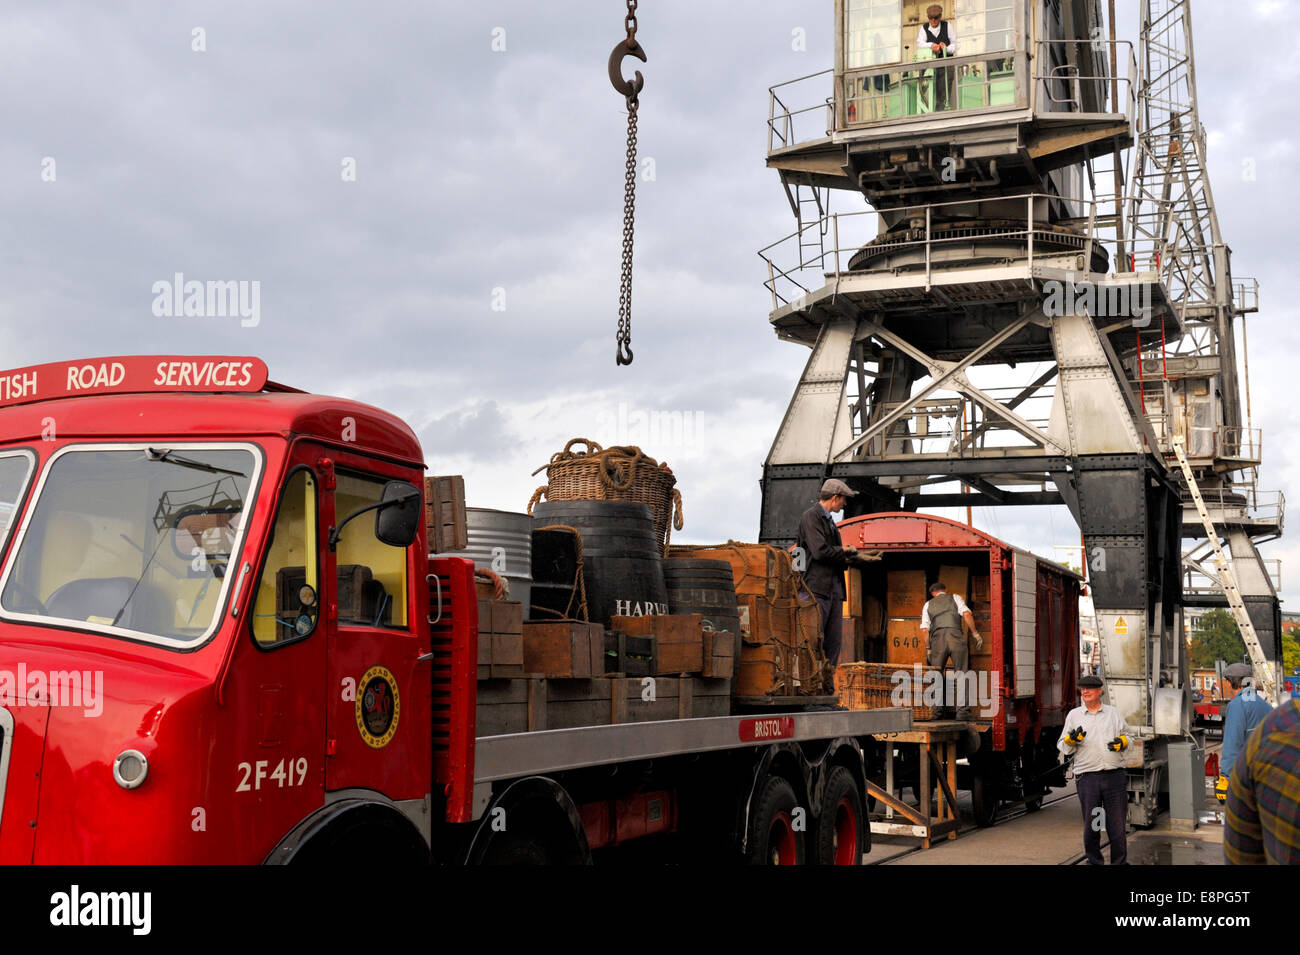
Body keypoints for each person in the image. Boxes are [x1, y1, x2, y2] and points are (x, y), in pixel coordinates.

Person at [1058, 674, 1133, 865]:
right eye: (1082, 689)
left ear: (1100, 691)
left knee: (1116, 825)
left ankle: (1119, 862)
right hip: (1088, 778)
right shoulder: (1074, 716)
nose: (1085, 691)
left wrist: (1123, 742)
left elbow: (1129, 738)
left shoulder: (1113, 714)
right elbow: (1063, 746)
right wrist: (1070, 740)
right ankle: (1094, 862)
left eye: (1089, 688)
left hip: (1114, 777)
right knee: (1093, 825)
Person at [797, 479, 859, 687]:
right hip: (815, 590)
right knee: (814, 642)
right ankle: (812, 688)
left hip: (832, 591)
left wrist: (854, 558)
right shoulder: (811, 517)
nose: (845, 505)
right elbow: (819, 552)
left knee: (833, 644)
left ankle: (825, 689)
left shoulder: (829, 522)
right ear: (835, 497)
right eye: (844, 500)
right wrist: (845, 551)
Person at [1224, 698, 1300, 864]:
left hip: (1249, 767)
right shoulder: (1266, 707)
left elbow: (1232, 741)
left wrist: (1226, 774)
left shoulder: (1278, 730)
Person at [918, 581, 982, 719]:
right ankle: (962, 712)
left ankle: (936, 712)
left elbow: (924, 629)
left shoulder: (928, 604)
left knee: (936, 675)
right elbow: (966, 614)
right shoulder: (955, 597)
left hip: (937, 640)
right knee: (962, 674)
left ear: (933, 594)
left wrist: (928, 648)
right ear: (945, 590)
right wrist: (975, 633)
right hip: (956, 637)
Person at [1216, 662, 1274, 803]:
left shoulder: (1237, 705)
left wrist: (1225, 777)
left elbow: (1232, 744)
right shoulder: (1265, 705)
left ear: (1231, 683)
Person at [915, 4, 958, 111]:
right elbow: (919, 43)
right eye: (931, 18)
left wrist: (946, 48)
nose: (933, 20)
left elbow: (956, 45)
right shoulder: (924, 29)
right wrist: (931, 45)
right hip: (931, 65)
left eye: (936, 18)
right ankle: (932, 108)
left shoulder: (947, 26)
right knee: (930, 87)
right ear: (928, 18)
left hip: (946, 64)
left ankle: (941, 108)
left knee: (945, 89)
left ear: (940, 16)